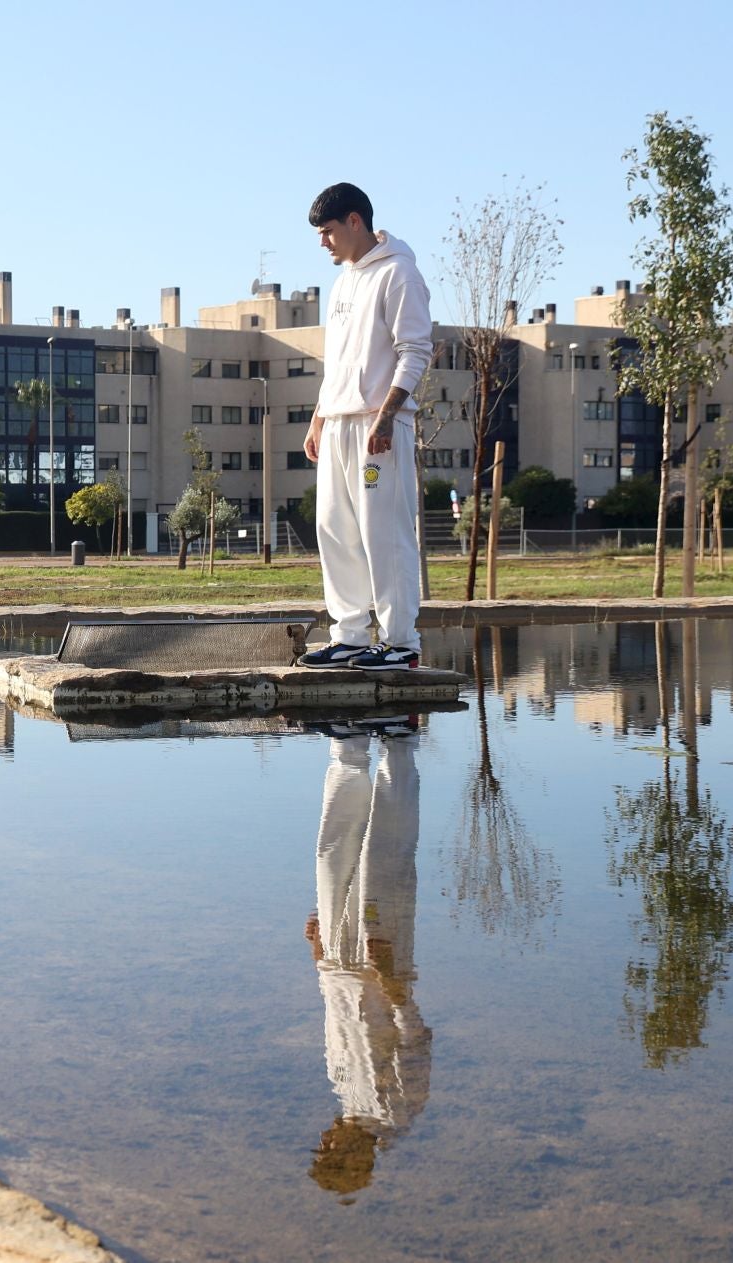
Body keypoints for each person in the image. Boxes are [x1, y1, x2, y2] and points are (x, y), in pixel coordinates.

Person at [298, 183, 433, 670]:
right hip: (337, 424)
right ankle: (350, 636)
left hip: (379, 428)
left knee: (384, 532)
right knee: (334, 528)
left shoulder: (399, 274)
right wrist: (318, 419)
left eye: (327, 231)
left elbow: (415, 351)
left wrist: (386, 416)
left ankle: (401, 643)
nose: (322, 243)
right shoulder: (342, 283)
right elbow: (336, 363)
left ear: (355, 221)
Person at [303, 728, 431, 1195]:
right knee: (386, 854)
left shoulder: (344, 1094)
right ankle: (400, 740)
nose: (324, 1137)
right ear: (355, 1159)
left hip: (340, 959)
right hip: (381, 960)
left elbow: (336, 1021)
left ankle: (347, 740)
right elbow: (416, 1044)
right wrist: (394, 984)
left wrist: (319, 959)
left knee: (332, 850)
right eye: (328, 1149)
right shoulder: (399, 1112)